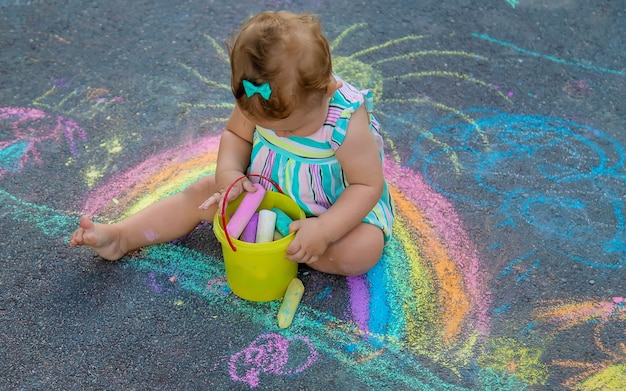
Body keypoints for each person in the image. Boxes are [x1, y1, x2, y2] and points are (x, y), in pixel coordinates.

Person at [69, 11, 394, 276]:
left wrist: (325, 230)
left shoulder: (345, 121)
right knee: (199, 195)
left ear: (326, 90)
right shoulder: (256, 96)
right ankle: (123, 235)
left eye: (293, 127)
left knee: (362, 251)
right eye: (268, 128)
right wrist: (230, 175)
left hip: (331, 205)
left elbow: (367, 185)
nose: (280, 136)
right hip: (263, 192)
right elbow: (236, 136)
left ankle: (290, 248)